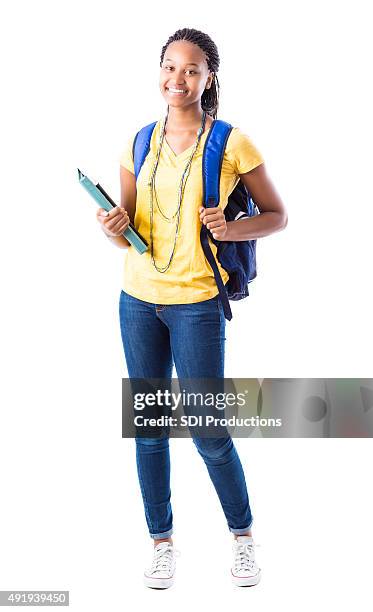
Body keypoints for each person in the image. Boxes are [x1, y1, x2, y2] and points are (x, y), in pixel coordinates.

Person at [96, 28, 287, 589]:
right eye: (170, 67)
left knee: (207, 430)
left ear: (210, 78)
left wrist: (232, 225)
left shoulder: (231, 143)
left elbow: (277, 215)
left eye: (192, 69)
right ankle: (161, 543)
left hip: (197, 305)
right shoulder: (138, 142)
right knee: (150, 428)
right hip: (137, 302)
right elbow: (126, 233)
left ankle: (243, 537)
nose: (178, 79)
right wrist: (112, 227)